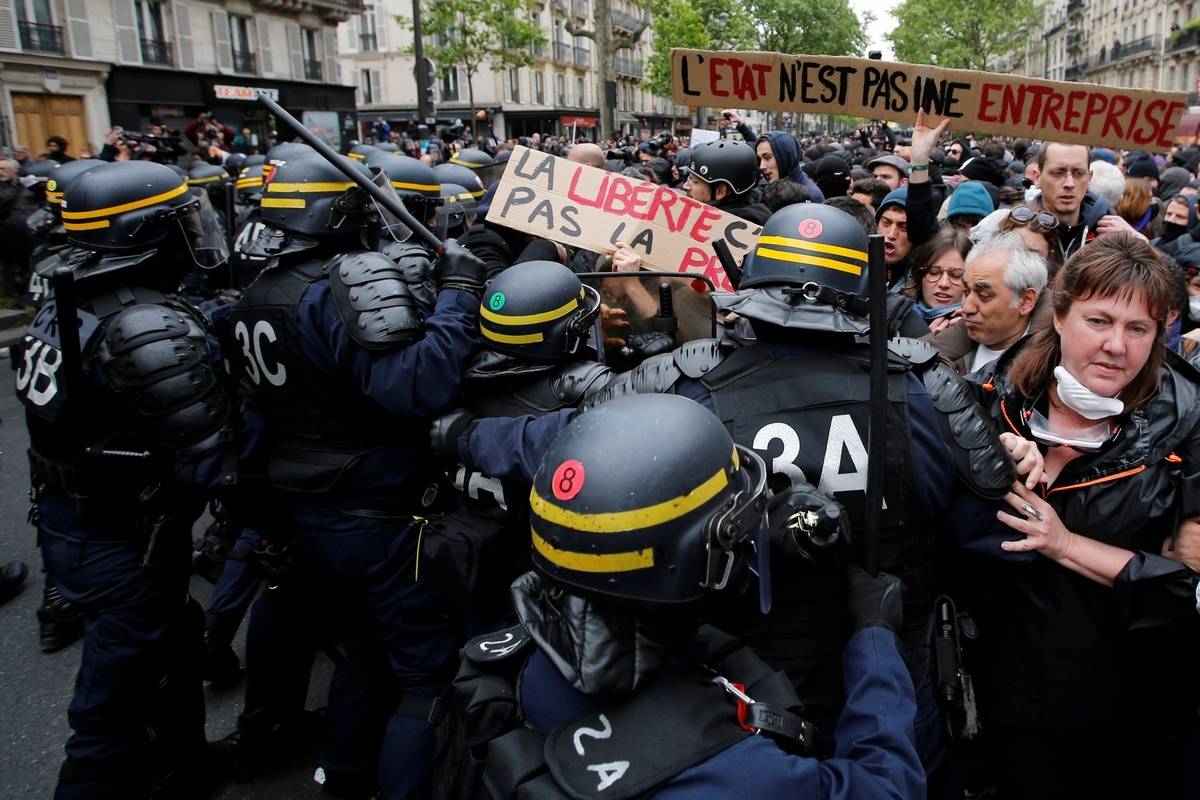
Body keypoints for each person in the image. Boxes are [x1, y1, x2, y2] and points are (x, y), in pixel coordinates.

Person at [442, 203, 1015, 779]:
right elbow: (991, 535)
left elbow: (570, 444)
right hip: (889, 680)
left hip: (736, 703)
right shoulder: (924, 386)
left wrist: (462, 434)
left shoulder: (685, 383)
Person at [432, 393, 926, 800]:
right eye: (737, 524)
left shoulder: (509, 655)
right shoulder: (742, 778)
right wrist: (875, 643)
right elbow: (886, 787)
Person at [227, 152, 488, 798]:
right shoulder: (341, 286)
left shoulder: (257, 294)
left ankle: (343, 779)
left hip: (308, 511)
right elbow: (419, 382)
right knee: (423, 677)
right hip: (378, 513)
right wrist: (456, 293)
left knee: (364, 655)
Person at [17, 159, 235, 799]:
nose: (194, 228)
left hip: (78, 520)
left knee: (169, 646)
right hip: (122, 538)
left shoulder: (66, 292)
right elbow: (214, 458)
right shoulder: (142, 323)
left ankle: (181, 768)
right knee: (110, 704)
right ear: (147, 232)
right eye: (180, 219)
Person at [962, 233, 1200, 799]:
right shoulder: (987, 400)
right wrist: (989, 464)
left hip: (1119, 712)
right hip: (986, 689)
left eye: (1138, 329)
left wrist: (1066, 544)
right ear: (1059, 313)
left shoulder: (1188, 427)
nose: (1117, 346)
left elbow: (1186, 588)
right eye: (1099, 321)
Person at [926, 231, 1047, 375]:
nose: (967, 307)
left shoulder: (1051, 369)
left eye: (984, 295)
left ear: (1025, 300)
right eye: (966, 292)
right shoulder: (935, 352)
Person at [684, 140, 771, 225]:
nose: (685, 186)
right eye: (688, 179)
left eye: (695, 181)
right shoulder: (765, 218)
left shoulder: (718, 228)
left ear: (720, 191)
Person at [904, 228, 972, 331]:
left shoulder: (977, 328)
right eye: (934, 272)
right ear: (920, 274)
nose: (943, 284)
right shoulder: (896, 316)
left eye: (956, 275)